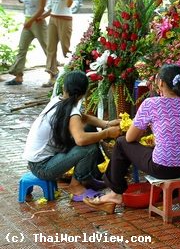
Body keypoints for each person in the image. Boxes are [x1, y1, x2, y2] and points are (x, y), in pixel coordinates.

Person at [83, 64, 180, 214]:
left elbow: (130, 137)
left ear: (160, 83)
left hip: (164, 169)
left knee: (121, 143)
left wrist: (145, 130)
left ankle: (115, 194)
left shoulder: (151, 104)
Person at [23, 71, 121, 201]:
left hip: (36, 162)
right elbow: (80, 140)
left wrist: (106, 124)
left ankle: (87, 178)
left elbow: (83, 117)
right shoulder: (71, 112)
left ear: (64, 88)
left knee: (89, 129)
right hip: (42, 167)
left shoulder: (58, 100)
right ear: (83, 94)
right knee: (88, 149)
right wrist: (107, 133)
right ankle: (75, 187)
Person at [39, 0, 82, 87]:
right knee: (50, 48)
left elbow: (68, 4)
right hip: (53, 19)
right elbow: (52, 6)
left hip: (65, 19)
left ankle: (76, 69)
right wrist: (43, 16)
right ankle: (52, 74)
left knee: (66, 49)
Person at [5, 0, 48, 86]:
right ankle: (18, 76)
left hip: (37, 23)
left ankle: (53, 73)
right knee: (22, 48)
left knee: (47, 47)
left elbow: (41, 9)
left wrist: (31, 21)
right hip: (27, 21)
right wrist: (27, 20)